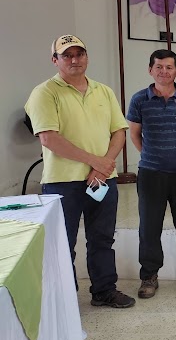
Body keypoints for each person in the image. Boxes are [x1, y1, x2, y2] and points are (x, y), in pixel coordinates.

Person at [25, 35, 134, 308]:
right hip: (63, 182)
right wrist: (97, 162)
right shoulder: (44, 92)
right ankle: (65, 300)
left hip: (103, 180)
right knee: (63, 242)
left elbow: (119, 131)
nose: (75, 59)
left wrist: (104, 165)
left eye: (79, 53)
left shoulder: (103, 91)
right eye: (67, 55)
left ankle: (104, 290)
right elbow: (49, 138)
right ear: (55, 60)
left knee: (102, 238)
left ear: (86, 56)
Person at [127, 49, 176, 298]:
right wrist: (152, 155)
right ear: (150, 70)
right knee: (149, 227)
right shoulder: (139, 99)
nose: (164, 71)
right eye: (158, 67)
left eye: (169, 67)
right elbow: (135, 134)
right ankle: (149, 276)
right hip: (151, 174)